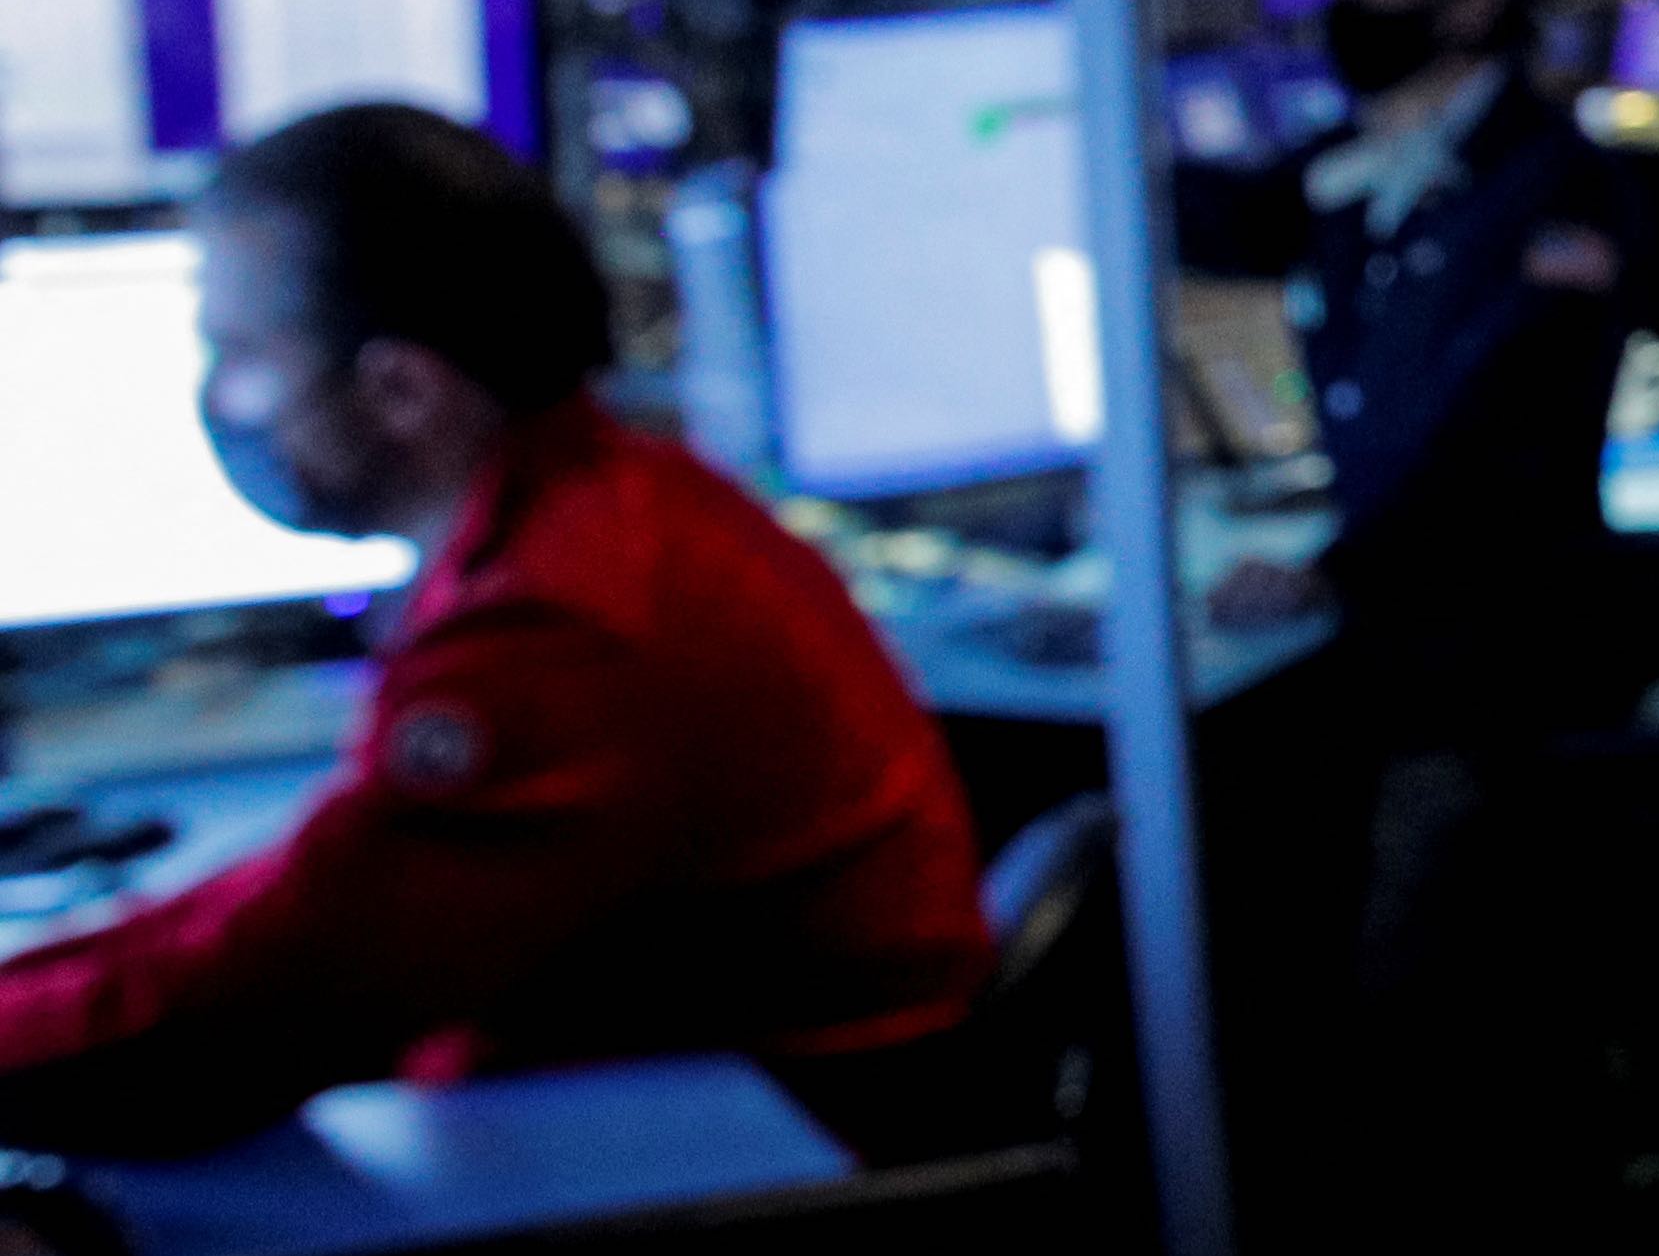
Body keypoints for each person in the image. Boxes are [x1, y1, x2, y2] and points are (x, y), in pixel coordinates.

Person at [0, 106, 989, 1154]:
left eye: (240, 355)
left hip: (757, 1178)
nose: (219, 400)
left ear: (401, 390)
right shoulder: (619, 498)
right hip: (721, 1103)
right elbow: (306, 913)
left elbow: (265, 1008)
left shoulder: (558, 624)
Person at [1178, 0, 1659, 732]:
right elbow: (1234, 226)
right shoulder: (1360, 156)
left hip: (1502, 649)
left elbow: (1503, 428)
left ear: (1473, 2)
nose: (1349, 3)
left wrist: (1338, 570)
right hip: (1379, 615)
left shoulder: (1556, 180)